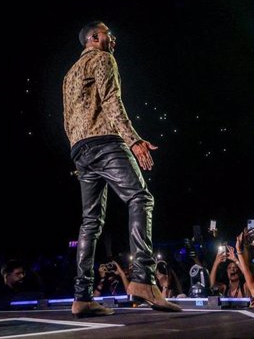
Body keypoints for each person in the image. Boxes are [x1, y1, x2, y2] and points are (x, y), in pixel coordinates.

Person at [63, 20, 181, 317]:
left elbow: (67, 120)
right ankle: (143, 279)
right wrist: (134, 140)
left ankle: (81, 297)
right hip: (105, 142)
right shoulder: (103, 58)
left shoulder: (68, 75)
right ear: (93, 38)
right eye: (108, 34)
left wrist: (78, 151)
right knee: (141, 198)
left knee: (90, 223)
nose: (113, 39)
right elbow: (112, 101)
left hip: (80, 149)